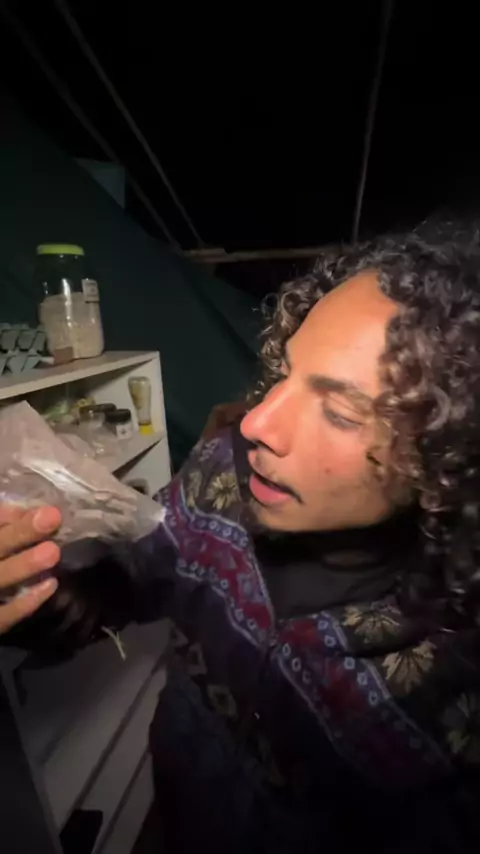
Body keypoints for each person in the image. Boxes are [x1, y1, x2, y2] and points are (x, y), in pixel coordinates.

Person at [2, 224, 480, 853]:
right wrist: (33, 597)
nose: (256, 424)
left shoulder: (457, 663)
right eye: (285, 371)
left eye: (340, 413)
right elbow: (127, 587)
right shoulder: (221, 477)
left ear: (450, 456)